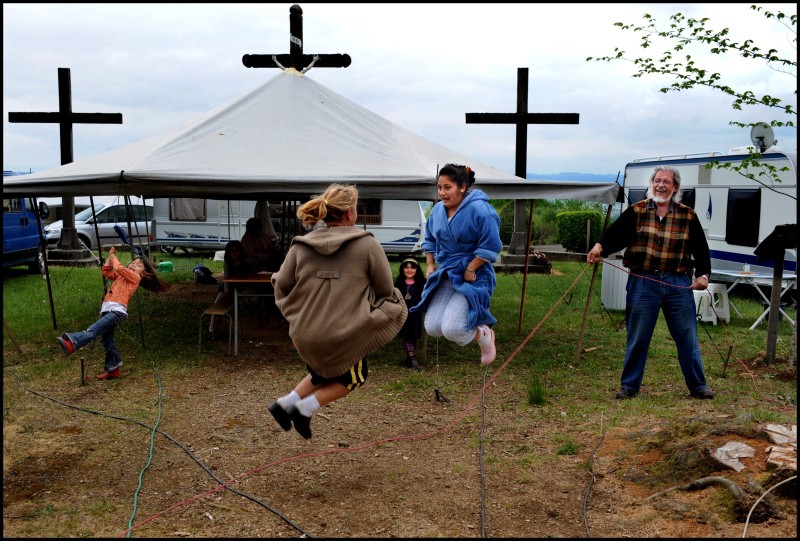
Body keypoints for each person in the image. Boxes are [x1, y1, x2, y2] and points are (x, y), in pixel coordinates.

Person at [268, 183, 408, 439]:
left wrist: (298, 304)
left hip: (305, 332)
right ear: (350, 214)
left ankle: (285, 404)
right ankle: (304, 408)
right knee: (354, 376)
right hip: (341, 333)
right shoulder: (367, 245)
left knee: (323, 369)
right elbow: (386, 289)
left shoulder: (300, 246)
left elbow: (281, 283)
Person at [586, 165, 715, 400]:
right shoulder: (637, 211)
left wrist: (704, 275)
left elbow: (701, 250)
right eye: (657, 181)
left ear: (675, 187)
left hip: (677, 282)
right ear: (652, 184)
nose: (661, 185)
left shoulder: (688, 215)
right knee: (638, 337)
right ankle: (629, 387)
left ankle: (698, 386)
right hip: (643, 281)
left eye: (666, 182)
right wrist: (599, 247)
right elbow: (614, 235)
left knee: (687, 336)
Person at [410, 163, 502, 366]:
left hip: (474, 274)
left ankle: (484, 334)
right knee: (432, 327)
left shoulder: (482, 210)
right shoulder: (437, 212)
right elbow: (430, 240)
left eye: (447, 187)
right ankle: (478, 331)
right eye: (439, 187)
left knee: (454, 329)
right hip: (446, 272)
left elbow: (491, 246)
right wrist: (431, 264)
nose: (442, 193)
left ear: (462, 187)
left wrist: (471, 268)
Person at [56, 246, 170, 380]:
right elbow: (107, 271)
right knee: (106, 340)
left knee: (93, 330)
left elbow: (119, 268)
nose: (133, 265)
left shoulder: (135, 277)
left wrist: (113, 257)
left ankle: (72, 343)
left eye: (139, 265)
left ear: (143, 273)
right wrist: (110, 257)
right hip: (109, 310)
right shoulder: (121, 278)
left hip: (116, 312)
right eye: (132, 263)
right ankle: (113, 368)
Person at [209, 240, 251, 332]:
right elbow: (226, 277)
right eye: (231, 251)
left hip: (242, 286)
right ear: (228, 253)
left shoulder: (245, 262)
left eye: (236, 250)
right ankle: (213, 321)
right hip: (229, 286)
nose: (234, 253)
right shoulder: (227, 263)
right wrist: (226, 291)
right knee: (219, 299)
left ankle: (218, 318)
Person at [394, 257, 427, 369]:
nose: (409, 270)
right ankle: (412, 358)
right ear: (402, 269)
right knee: (407, 334)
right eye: (406, 267)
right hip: (403, 313)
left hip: (416, 314)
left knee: (413, 335)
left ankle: (409, 358)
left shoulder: (421, 282)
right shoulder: (399, 282)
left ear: (417, 269)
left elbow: (427, 295)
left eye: (413, 267)